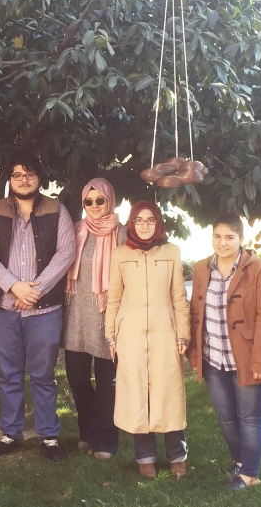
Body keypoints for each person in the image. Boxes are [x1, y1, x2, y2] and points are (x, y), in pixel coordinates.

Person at [0, 155, 75, 461]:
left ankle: (49, 436)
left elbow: (66, 253)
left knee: (43, 375)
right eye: (17, 175)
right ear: (10, 179)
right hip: (4, 309)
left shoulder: (57, 210)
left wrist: (34, 291)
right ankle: (10, 434)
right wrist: (14, 286)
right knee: (8, 374)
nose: (23, 179)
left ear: (38, 178)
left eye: (29, 174)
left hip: (43, 310)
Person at [186, 212, 261, 490]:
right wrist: (195, 354)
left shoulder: (257, 268)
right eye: (217, 236)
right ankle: (241, 460)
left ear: (241, 239)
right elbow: (196, 314)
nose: (222, 242)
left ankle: (250, 475)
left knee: (250, 417)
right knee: (227, 417)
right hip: (214, 359)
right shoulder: (202, 268)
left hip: (248, 358)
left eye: (229, 237)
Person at [104, 200, 190, 479]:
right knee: (137, 393)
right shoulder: (120, 254)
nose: (144, 225)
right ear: (132, 223)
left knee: (169, 393)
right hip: (130, 335)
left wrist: (182, 332)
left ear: (158, 223)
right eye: (139, 220)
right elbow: (114, 298)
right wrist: (111, 335)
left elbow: (179, 297)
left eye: (150, 220)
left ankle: (177, 455)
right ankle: (145, 457)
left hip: (165, 333)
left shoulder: (171, 251)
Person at [62, 179, 126, 460]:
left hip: (107, 317)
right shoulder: (75, 231)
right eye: (88, 201)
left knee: (107, 384)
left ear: (110, 201)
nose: (94, 205)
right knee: (76, 379)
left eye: (100, 200)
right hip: (76, 316)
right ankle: (87, 430)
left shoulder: (123, 234)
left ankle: (105, 439)